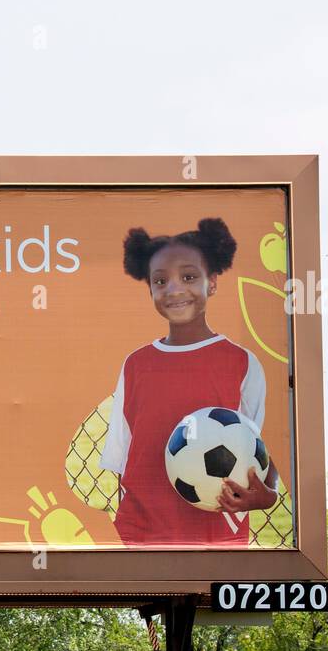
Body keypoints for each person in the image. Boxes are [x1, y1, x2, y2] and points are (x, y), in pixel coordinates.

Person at [99, 217, 279, 546]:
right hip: (143, 538)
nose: (175, 289)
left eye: (189, 277)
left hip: (218, 540)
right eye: (160, 281)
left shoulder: (242, 363)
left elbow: (258, 451)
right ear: (150, 289)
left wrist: (268, 496)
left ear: (212, 283)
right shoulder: (135, 364)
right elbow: (122, 461)